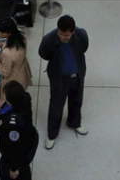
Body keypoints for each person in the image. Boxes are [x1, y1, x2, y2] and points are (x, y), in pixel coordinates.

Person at [38, 14, 89, 149]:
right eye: (61, 34)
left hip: (77, 75)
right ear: (58, 29)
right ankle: (52, 134)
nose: (63, 37)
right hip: (59, 79)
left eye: (67, 35)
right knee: (56, 105)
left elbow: (84, 48)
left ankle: (74, 122)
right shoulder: (48, 40)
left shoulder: (81, 35)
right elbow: (43, 54)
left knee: (77, 100)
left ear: (73, 31)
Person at [0, 80, 40, 180]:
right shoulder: (25, 99)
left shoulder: (12, 124)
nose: (4, 99)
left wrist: (14, 169)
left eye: (6, 97)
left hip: (16, 162)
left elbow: (13, 149)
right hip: (28, 140)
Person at [0, 30, 32, 99]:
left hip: (12, 81)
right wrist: (3, 45)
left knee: (10, 99)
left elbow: (5, 72)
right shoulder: (22, 39)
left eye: (2, 31)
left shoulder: (7, 53)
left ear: (8, 32)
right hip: (22, 75)